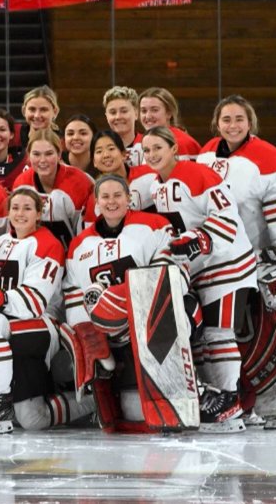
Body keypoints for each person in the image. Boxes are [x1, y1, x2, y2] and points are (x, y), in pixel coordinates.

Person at [198, 95, 276, 428]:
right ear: (217, 122)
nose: (232, 125)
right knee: (230, 335)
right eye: (226, 119)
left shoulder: (268, 156)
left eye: (239, 119)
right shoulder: (205, 154)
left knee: (264, 332)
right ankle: (243, 399)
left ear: (251, 122)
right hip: (221, 262)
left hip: (258, 261)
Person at [142, 127, 259, 432]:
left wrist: (202, 239)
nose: (153, 155)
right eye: (148, 150)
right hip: (201, 268)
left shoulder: (196, 174)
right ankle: (217, 401)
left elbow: (226, 215)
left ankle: (231, 402)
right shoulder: (156, 186)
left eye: (158, 148)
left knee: (220, 334)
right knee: (205, 338)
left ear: (173, 149)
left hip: (227, 261)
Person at [65, 175, 184, 432]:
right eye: (105, 197)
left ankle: (178, 384)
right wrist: (88, 334)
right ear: (96, 203)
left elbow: (172, 273)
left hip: (155, 325)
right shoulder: (79, 245)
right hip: (112, 336)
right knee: (133, 412)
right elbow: (73, 293)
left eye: (118, 195)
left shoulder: (155, 225)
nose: (111, 202)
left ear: (129, 198)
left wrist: (120, 296)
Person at [0, 187, 70, 434]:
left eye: (27, 208)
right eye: (15, 208)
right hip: (10, 323)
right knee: (32, 419)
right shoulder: (0, 243)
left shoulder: (47, 244)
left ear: (39, 214)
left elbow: (34, 303)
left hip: (44, 324)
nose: (20, 213)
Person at [11, 129, 93, 248]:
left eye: (49, 154)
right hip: (35, 254)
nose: (43, 160)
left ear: (59, 154)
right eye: (36, 154)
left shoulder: (80, 182)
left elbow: (89, 230)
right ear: (28, 155)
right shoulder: (21, 183)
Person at [139, 87, 201, 157]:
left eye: (154, 110)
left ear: (169, 113)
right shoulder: (140, 143)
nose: (148, 116)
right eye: (143, 111)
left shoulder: (182, 143)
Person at [104, 86, 143, 168]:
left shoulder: (148, 145)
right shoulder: (100, 149)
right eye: (113, 112)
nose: (118, 117)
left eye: (124, 111)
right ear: (106, 116)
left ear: (136, 114)